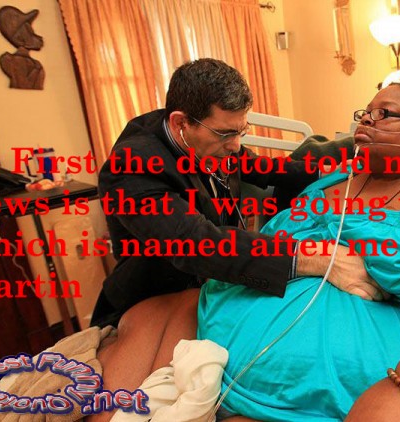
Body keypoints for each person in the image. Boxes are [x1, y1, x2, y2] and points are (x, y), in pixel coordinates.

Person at [95, 78, 400, 421]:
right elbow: (206, 243)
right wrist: (312, 254)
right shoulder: (331, 183)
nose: (366, 120)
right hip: (225, 328)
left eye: (385, 113)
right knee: (142, 317)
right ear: (182, 124)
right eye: (365, 112)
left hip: (344, 373)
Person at [91, 58, 382, 328]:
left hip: (215, 287)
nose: (235, 146)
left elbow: (262, 167)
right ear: (181, 123)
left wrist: (326, 171)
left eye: (241, 131)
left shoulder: (208, 138)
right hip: (154, 299)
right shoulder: (130, 167)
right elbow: (196, 243)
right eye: (225, 134)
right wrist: (316, 258)